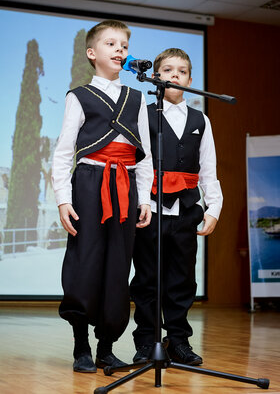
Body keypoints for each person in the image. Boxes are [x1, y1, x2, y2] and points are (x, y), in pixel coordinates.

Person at [52, 20, 153, 373]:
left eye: (124, 45)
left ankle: (106, 347)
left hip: (126, 183)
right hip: (90, 182)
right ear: (92, 54)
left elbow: (145, 152)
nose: (120, 50)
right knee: (85, 261)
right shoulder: (78, 96)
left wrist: (147, 199)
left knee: (117, 264)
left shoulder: (137, 98)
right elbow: (65, 152)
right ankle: (82, 345)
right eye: (111, 44)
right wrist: (64, 199)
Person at [130, 48, 223, 366]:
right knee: (146, 279)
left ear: (190, 80)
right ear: (156, 77)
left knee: (182, 278)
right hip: (151, 210)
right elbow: (138, 164)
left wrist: (213, 208)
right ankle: (145, 341)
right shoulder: (145, 114)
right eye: (168, 70)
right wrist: (142, 201)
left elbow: (208, 168)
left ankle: (178, 340)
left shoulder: (201, 120)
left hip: (186, 211)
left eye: (182, 71)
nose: (175, 76)